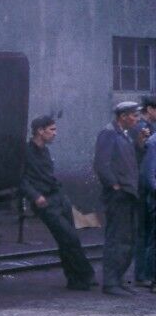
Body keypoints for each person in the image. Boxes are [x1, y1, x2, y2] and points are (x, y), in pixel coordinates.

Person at [22, 115, 96, 290]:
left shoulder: (45, 151)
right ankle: (84, 274)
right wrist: (35, 196)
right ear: (40, 131)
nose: (55, 133)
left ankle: (76, 279)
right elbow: (20, 179)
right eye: (52, 129)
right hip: (44, 201)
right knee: (68, 237)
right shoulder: (25, 152)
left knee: (68, 238)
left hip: (59, 197)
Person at [93, 101, 141, 295]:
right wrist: (114, 185)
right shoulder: (109, 134)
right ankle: (111, 283)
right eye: (134, 116)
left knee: (126, 238)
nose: (137, 119)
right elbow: (101, 164)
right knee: (117, 238)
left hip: (128, 193)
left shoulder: (125, 135)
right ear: (123, 116)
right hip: (118, 195)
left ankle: (117, 280)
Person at [138, 96, 156, 289]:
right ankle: (148, 275)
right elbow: (148, 171)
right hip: (149, 192)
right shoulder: (150, 137)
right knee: (150, 236)